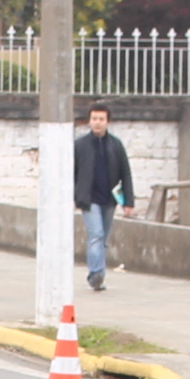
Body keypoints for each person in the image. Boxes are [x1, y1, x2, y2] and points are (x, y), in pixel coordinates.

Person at [72, 101, 133, 293]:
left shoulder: (115, 145)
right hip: (89, 200)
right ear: (89, 121)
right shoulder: (80, 146)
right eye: (94, 119)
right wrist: (74, 196)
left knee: (104, 238)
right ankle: (96, 274)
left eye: (101, 119)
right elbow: (71, 173)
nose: (97, 123)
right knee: (96, 235)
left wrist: (128, 202)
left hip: (110, 199)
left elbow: (126, 174)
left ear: (108, 121)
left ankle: (98, 275)